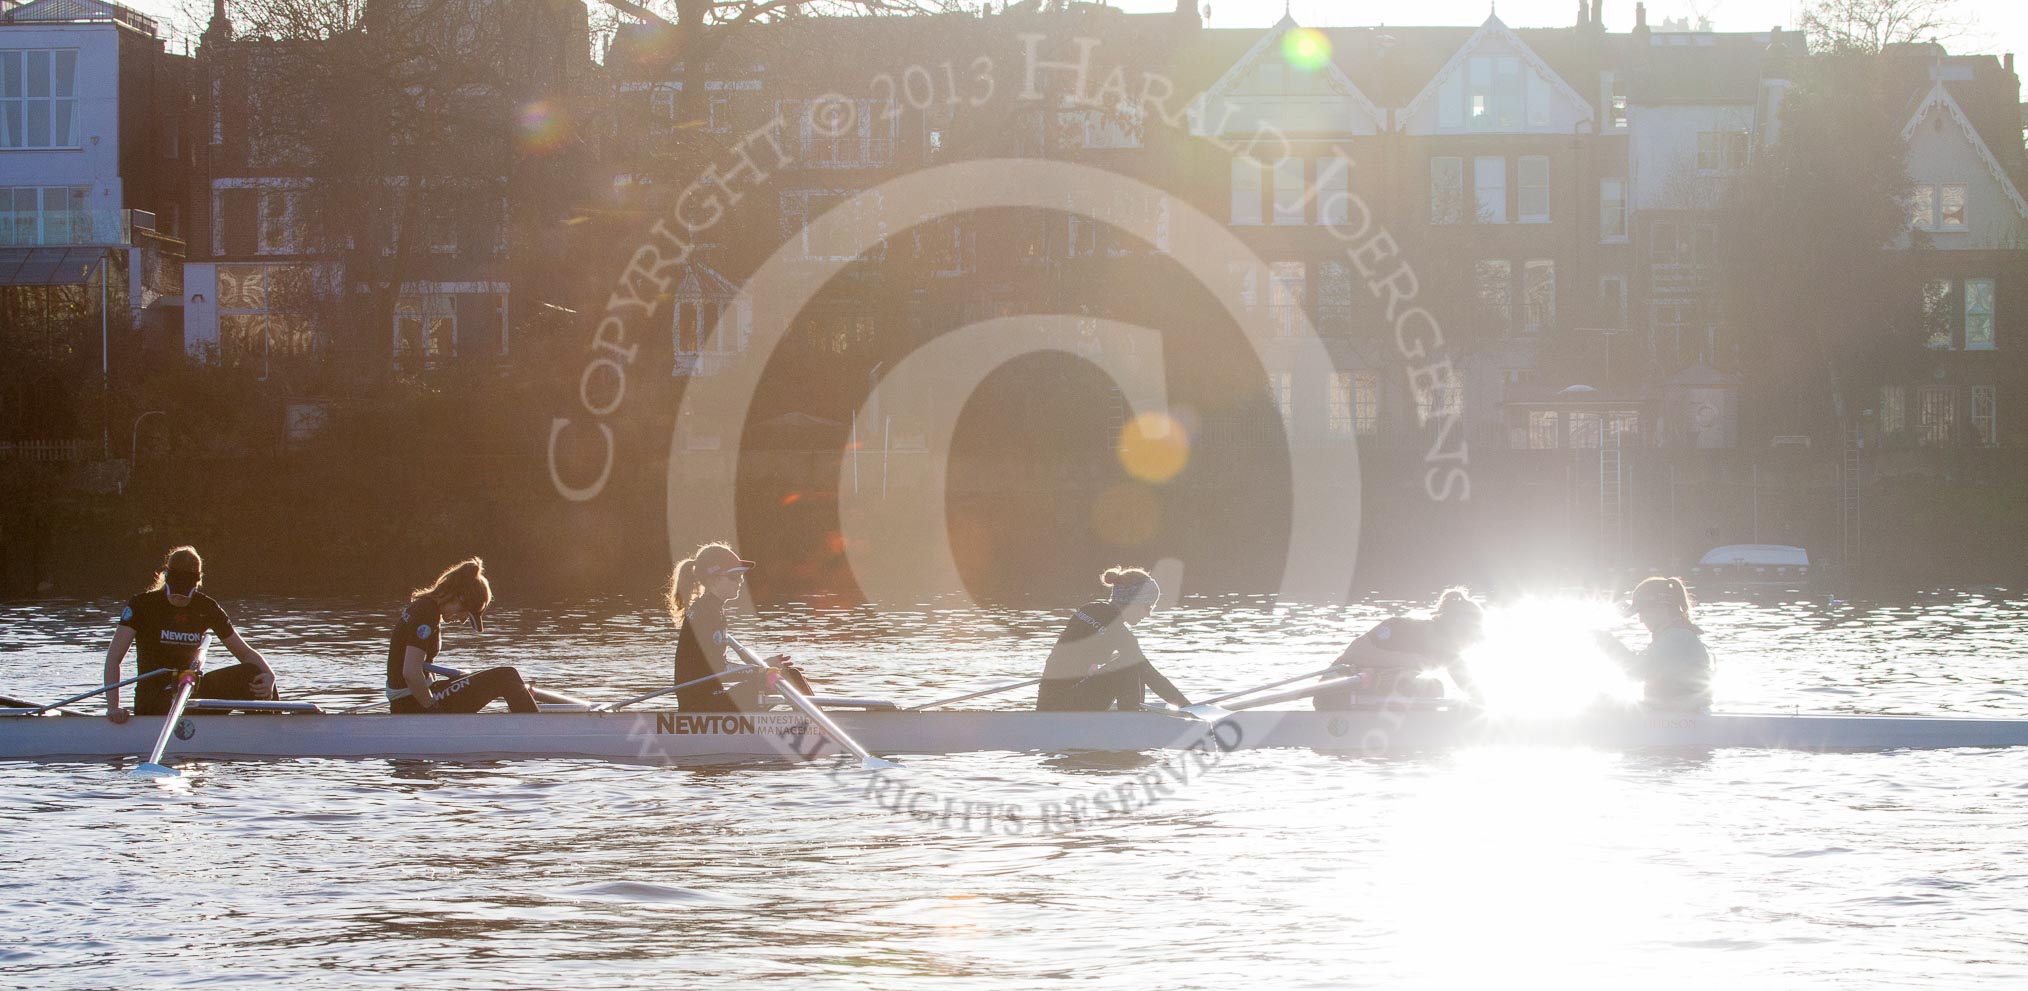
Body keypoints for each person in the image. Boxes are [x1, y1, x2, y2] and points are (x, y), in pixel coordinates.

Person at [104, 546, 278, 723]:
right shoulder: (142, 605)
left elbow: (245, 653)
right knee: (255, 673)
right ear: (166, 577)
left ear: (197, 583)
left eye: (185, 592)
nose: (180, 598)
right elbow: (114, 658)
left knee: (255, 673)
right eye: (176, 591)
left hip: (190, 692)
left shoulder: (207, 608)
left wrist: (270, 675)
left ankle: (271, 730)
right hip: (154, 700)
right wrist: (113, 707)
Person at [386, 558, 538, 714]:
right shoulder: (426, 613)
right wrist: (433, 709)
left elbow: (417, 666)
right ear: (459, 598)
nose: (463, 619)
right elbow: (411, 672)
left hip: (415, 697)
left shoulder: (423, 607)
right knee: (506, 676)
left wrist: (462, 681)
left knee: (479, 677)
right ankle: (536, 731)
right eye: (466, 613)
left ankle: (530, 723)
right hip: (411, 703)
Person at [668, 542, 805, 712]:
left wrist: (762, 669)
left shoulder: (707, 607)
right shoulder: (708, 614)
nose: (740, 581)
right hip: (704, 707)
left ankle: (808, 725)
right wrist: (761, 670)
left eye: (741, 575)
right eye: (734, 576)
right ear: (714, 579)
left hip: (707, 700)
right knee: (789, 677)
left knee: (784, 675)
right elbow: (719, 669)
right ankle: (818, 728)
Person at [1037, 567, 1191, 712]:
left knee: (1127, 660)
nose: (1148, 614)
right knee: (1130, 665)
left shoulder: (1088, 609)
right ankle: (1131, 722)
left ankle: (1133, 713)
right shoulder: (1120, 632)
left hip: (1048, 701)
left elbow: (1079, 653)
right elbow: (1150, 675)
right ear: (1134, 601)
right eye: (1148, 606)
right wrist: (1186, 706)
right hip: (1062, 707)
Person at [1313, 587, 1484, 711]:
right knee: (1426, 686)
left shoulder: (1448, 653)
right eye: (1471, 636)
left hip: (1367, 702)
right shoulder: (1399, 627)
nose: (1472, 643)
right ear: (1455, 627)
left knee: (1432, 688)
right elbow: (1355, 651)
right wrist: (1406, 661)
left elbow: (1472, 691)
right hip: (1333, 695)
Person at [1594, 576, 1713, 712]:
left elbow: (1637, 672)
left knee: (1596, 705)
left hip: (1679, 716)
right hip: (1675, 712)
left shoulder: (1676, 636)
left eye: (1642, 612)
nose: (1640, 619)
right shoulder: (1674, 635)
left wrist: (1608, 643)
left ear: (1661, 608)